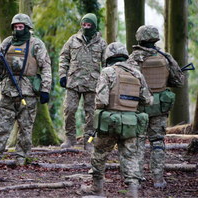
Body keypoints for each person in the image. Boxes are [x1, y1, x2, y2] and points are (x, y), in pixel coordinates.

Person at [80, 42, 153, 198]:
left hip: (110, 123)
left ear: (108, 57)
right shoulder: (137, 74)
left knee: (99, 154)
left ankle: (97, 190)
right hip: (130, 124)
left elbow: (101, 100)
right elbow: (147, 100)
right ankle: (133, 191)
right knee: (130, 156)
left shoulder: (107, 72)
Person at [0, 13, 52, 165]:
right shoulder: (7, 43)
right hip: (8, 92)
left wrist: (45, 90)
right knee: (2, 126)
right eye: (15, 27)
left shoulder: (36, 44)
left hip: (28, 93)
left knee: (25, 128)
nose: (18, 29)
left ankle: (21, 157)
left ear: (27, 27)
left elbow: (46, 67)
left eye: (21, 27)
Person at [127, 25, 184, 189]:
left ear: (139, 38)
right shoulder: (165, 57)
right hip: (159, 107)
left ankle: (135, 180)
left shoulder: (132, 59)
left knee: (136, 143)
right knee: (157, 142)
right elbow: (179, 81)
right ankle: (158, 179)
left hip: (139, 107)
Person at [58, 13, 107, 150]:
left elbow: (107, 64)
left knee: (91, 113)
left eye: (89, 25)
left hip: (93, 83)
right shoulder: (73, 40)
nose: (86, 27)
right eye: (84, 25)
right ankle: (69, 139)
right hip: (73, 82)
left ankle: (89, 141)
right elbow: (63, 58)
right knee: (69, 109)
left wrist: (106, 82)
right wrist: (63, 75)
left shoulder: (102, 43)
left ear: (94, 26)